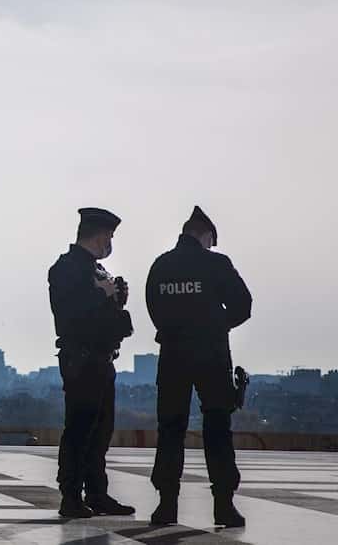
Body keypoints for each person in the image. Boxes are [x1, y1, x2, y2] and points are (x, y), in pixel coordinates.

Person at [146, 206, 252, 528]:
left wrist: (178, 329)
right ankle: (223, 505)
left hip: (173, 355)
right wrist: (215, 324)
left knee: (170, 428)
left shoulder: (161, 265)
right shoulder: (216, 264)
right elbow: (243, 305)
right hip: (211, 354)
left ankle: (166, 505)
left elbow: (154, 307)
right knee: (218, 428)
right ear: (205, 235)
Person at [48, 207, 135, 519]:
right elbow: (70, 312)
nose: (110, 242)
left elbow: (100, 310)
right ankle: (70, 495)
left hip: (101, 356)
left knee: (101, 430)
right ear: (99, 235)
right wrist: (102, 294)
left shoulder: (97, 271)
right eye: (109, 235)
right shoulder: (67, 268)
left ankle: (97, 493)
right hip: (82, 358)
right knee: (80, 429)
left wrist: (116, 298)